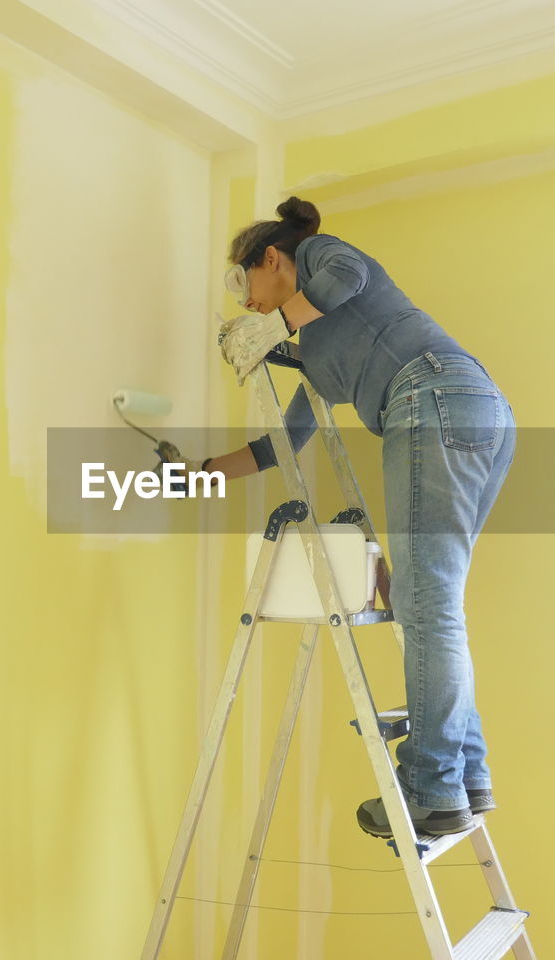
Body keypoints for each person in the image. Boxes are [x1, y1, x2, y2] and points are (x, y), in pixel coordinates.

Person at [206, 196, 517, 838]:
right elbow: (283, 445)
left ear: (273, 258)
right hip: (474, 409)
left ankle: (430, 791)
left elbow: (344, 277)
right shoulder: (317, 347)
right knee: (431, 600)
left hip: (431, 395)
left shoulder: (321, 256)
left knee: (427, 601)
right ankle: (467, 775)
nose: (246, 304)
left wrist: (274, 325)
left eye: (244, 284)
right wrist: (199, 472)